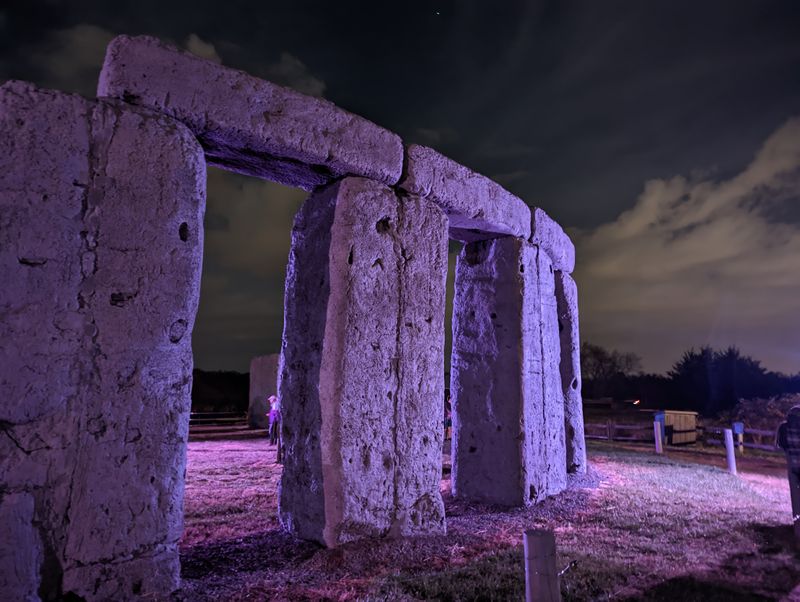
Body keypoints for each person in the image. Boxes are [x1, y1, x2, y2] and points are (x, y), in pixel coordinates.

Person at [777, 406, 800, 538]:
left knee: (795, 499)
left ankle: (798, 531)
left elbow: (781, 445)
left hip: (792, 465)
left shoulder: (783, 427)